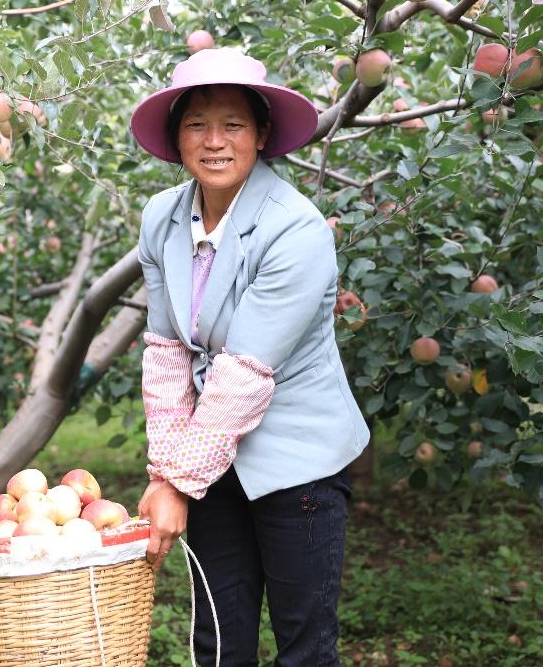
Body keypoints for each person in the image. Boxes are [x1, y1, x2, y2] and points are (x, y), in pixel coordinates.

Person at [130, 48, 369, 667]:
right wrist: (167, 471)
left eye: (233, 124)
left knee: (304, 645)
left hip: (298, 459)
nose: (214, 141)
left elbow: (242, 374)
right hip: (212, 462)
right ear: (176, 137)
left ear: (262, 135)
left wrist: (178, 483)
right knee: (218, 639)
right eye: (196, 124)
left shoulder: (296, 229)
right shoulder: (161, 219)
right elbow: (165, 354)